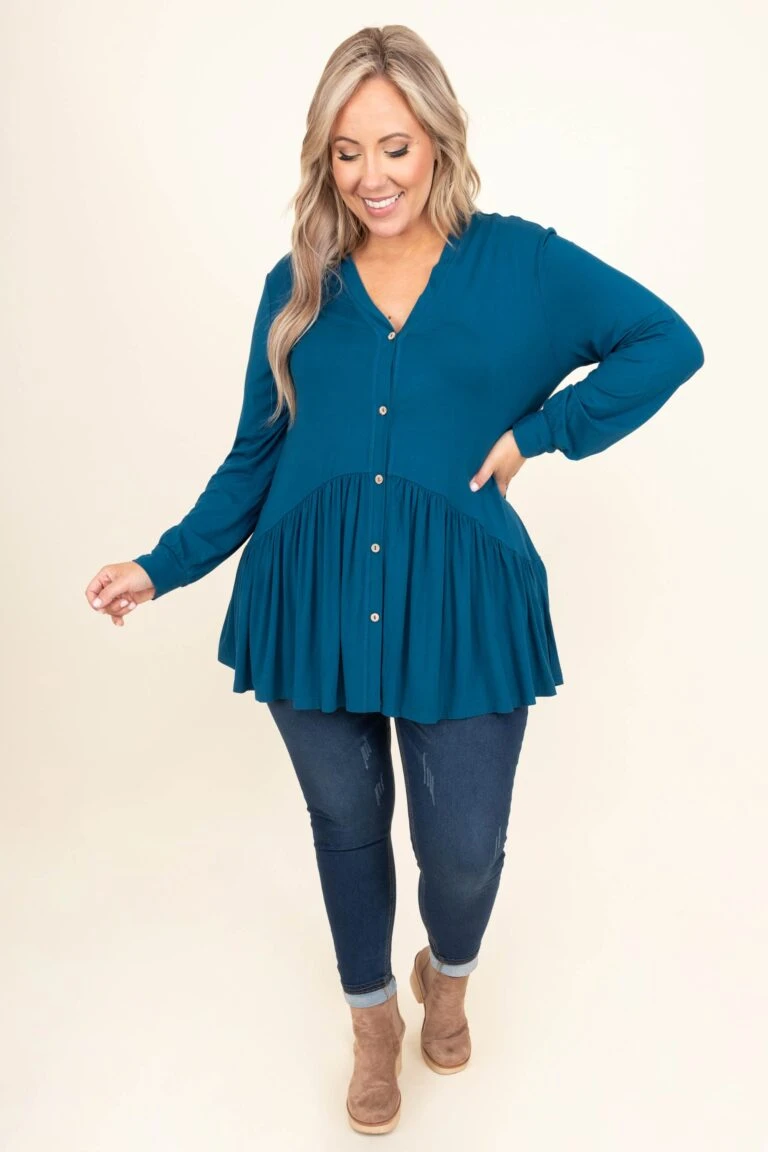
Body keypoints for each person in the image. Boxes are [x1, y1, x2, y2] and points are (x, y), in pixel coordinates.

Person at [84, 24, 705, 1136]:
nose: (370, 177)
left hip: (463, 604)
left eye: (394, 147)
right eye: (345, 152)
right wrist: (159, 565)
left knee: (463, 849)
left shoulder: (521, 264)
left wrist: (539, 434)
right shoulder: (298, 285)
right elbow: (255, 458)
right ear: (323, 159)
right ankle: (373, 1024)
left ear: (439, 142)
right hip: (308, 597)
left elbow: (667, 341)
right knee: (346, 825)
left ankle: (447, 975)